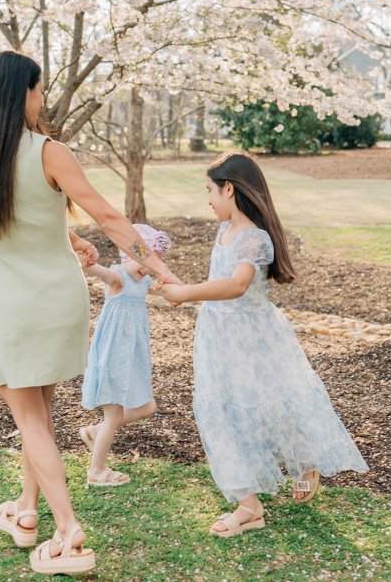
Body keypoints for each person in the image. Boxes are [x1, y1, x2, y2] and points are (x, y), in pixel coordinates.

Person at [0, 50, 178, 573]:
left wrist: (70, 236)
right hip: (60, 301)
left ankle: (67, 532)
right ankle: (27, 511)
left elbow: (3, 227)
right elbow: (105, 213)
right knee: (39, 416)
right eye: (38, 92)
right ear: (21, 95)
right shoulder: (50, 152)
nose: (41, 102)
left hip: (13, 305)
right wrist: (160, 270)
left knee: (30, 417)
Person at [157, 152, 369, 537]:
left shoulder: (256, 239)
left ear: (229, 189)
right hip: (218, 339)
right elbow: (218, 281)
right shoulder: (223, 233)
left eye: (210, 190)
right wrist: (174, 284)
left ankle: (304, 463)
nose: (207, 200)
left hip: (255, 339)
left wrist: (185, 293)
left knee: (274, 403)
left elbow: (237, 285)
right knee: (220, 412)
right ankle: (248, 504)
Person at [78, 224, 172, 487]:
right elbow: (98, 271)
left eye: (152, 262)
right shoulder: (119, 278)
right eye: (143, 260)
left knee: (147, 406)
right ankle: (96, 471)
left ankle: (94, 432)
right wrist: (87, 261)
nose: (147, 267)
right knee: (114, 416)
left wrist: (173, 291)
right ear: (127, 255)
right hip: (111, 356)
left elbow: (164, 288)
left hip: (130, 360)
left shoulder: (143, 281)